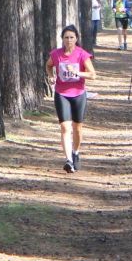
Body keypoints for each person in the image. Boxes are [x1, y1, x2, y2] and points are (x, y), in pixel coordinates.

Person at [46, 25, 96, 172]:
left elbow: (93, 75)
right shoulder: (56, 54)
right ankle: (68, 160)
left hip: (78, 94)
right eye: (66, 37)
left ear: (76, 39)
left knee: (77, 128)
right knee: (65, 127)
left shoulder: (82, 54)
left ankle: (76, 152)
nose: (69, 40)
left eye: (71, 37)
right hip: (61, 93)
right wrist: (51, 76)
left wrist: (77, 72)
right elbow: (48, 65)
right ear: (62, 39)